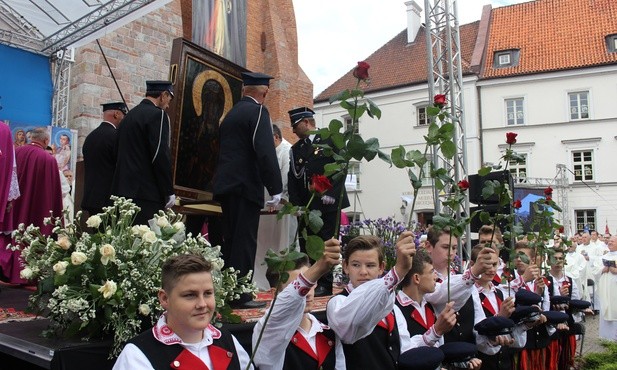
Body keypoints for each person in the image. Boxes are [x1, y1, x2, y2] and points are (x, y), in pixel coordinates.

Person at [213, 71, 283, 308]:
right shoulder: (258, 111)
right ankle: (240, 295)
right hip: (245, 186)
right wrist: (276, 188)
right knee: (245, 241)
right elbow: (265, 151)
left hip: (227, 186)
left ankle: (230, 289)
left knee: (231, 240)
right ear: (264, 92)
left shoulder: (231, 115)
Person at [113, 254, 253, 369]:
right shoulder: (138, 355)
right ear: (164, 298)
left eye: (208, 293)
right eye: (190, 295)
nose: (202, 304)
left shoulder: (227, 341)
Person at [326, 233, 416, 370]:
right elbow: (352, 325)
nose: (363, 272)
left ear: (381, 267)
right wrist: (397, 273)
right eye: (356, 265)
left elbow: (405, 351)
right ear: (345, 267)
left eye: (370, 265)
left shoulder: (393, 309)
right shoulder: (338, 303)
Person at [252, 239, 343, 370]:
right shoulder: (268, 331)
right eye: (297, 287)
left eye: (312, 283)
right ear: (275, 293)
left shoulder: (328, 331)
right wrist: (318, 267)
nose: (308, 293)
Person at [288, 107, 350, 297]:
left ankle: (325, 282)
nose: (293, 130)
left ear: (306, 122)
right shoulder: (296, 149)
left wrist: (330, 193)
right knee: (307, 244)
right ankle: (310, 279)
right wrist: (296, 205)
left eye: (295, 125)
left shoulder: (329, 139)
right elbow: (294, 179)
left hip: (328, 203)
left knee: (327, 243)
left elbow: (340, 168)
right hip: (306, 207)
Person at [0, 127, 63, 284]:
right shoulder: (48, 159)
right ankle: (29, 272)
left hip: (14, 206)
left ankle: (8, 268)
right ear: (46, 141)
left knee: (13, 234)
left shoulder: (17, 152)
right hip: (37, 209)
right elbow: (52, 192)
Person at [111, 81, 176, 225]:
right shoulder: (158, 115)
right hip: (146, 194)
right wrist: (168, 190)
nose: (168, 105)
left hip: (122, 191)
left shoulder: (128, 117)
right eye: (169, 99)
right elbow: (160, 154)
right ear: (163, 95)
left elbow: (116, 151)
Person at [254, 123, 297, 290]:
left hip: (280, 208)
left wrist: (280, 200)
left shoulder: (287, 150)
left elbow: (286, 180)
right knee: (262, 242)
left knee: (281, 243)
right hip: (265, 206)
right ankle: (259, 280)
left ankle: (282, 279)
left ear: (275, 137)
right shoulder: (266, 152)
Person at [82, 102, 127, 216]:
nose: (124, 119)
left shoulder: (90, 137)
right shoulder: (116, 137)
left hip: (91, 198)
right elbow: (122, 165)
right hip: (109, 200)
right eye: (123, 115)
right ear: (117, 114)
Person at [596, 235, 617, 341]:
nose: (610, 242)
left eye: (612, 241)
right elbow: (595, 271)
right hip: (605, 288)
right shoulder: (604, 256)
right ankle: (606, 336)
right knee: (605, 307)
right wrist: (603, 269)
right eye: (609, 241)